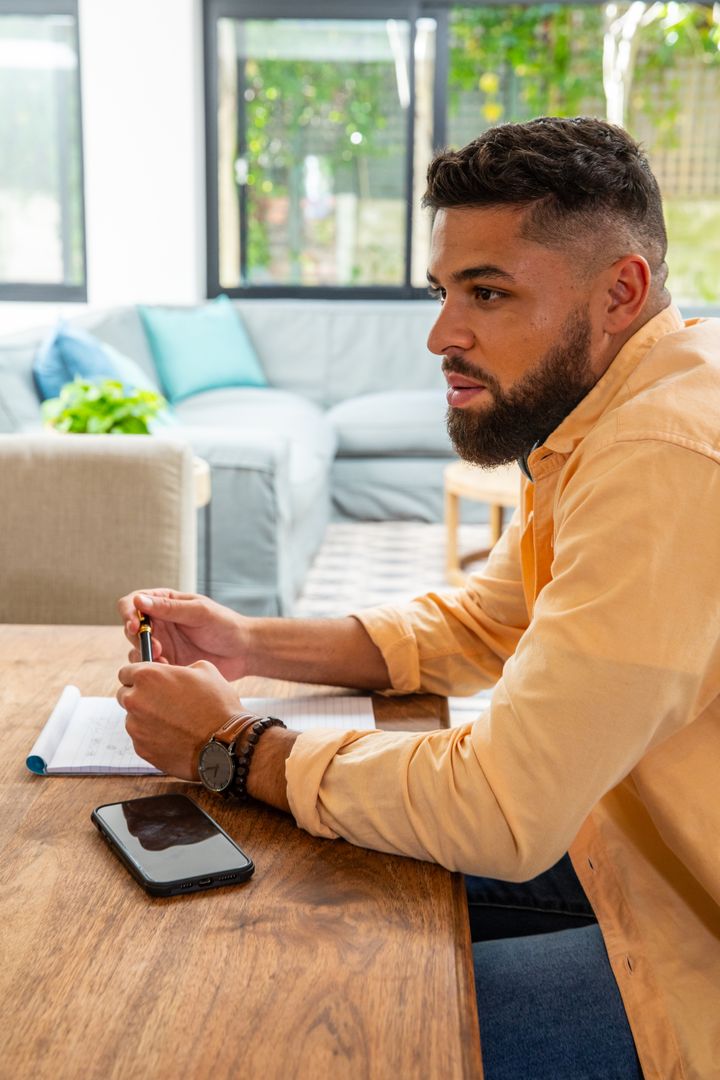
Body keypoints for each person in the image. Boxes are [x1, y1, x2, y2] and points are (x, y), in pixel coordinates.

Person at [117, 116, 720, 1079]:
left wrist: (233, 750)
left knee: (320, 1030)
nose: (442, 334)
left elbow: (498, 809)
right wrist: (249, 643)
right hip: (644, 863)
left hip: (697, 960)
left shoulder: (664, 458)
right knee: (317, 907)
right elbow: (486, 621)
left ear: (621, 292)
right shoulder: (609, 420)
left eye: (488, 292)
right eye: (444, 291)